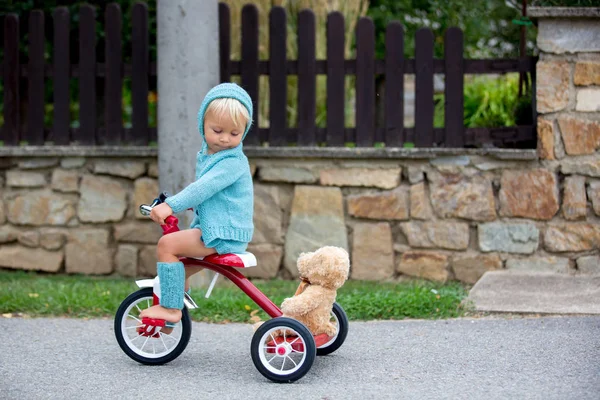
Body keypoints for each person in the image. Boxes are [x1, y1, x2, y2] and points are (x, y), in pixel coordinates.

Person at [139, 83, 254, 325]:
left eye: (234, 134)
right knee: (177, 270)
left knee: (167, 245)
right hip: (221, 230)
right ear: (202, 124)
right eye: (218, 130)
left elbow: (202, 188)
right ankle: (171, 318)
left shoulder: (231, 161)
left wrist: (170, 205)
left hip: (223, 234)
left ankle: (171, 310)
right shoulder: (211, 156)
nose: (224, 139)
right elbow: (216, 197)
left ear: (244, 132)